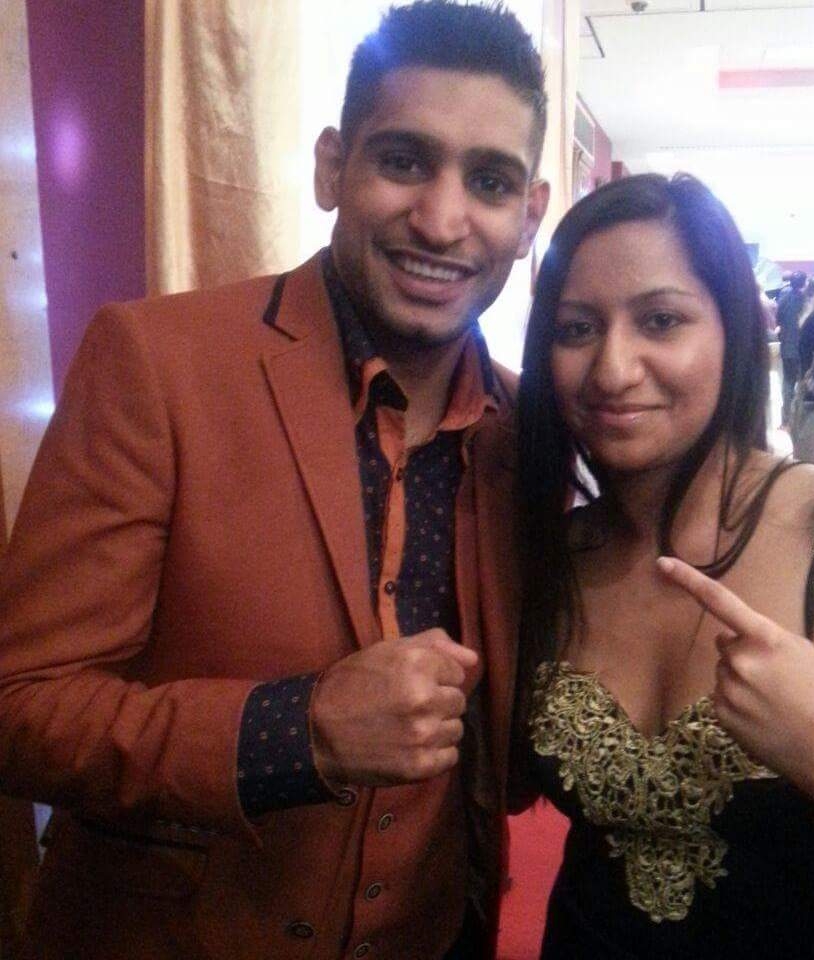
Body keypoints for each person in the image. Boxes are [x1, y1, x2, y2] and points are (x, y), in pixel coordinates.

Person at [0, 3, 550, 958]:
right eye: (404, 161)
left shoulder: (529, 430)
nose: (442, 220)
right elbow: (21, 705)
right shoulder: (157, 362)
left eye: (490, 181)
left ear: (529, 215)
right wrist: (296, 732)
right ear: (333, 167)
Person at [512, 173, 814, 959]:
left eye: (661, 320)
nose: (613, 369)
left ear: (736, 330)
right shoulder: (545, 554)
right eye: (577, 328)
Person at [775, 269, 807, 425]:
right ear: (804, 283)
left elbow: (778, 318)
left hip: (787, 345)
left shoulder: (784, 298)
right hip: (802, 348)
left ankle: (785, 418)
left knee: (787, 382)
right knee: (802, 384)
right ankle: (798, 419)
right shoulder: (806, 301)